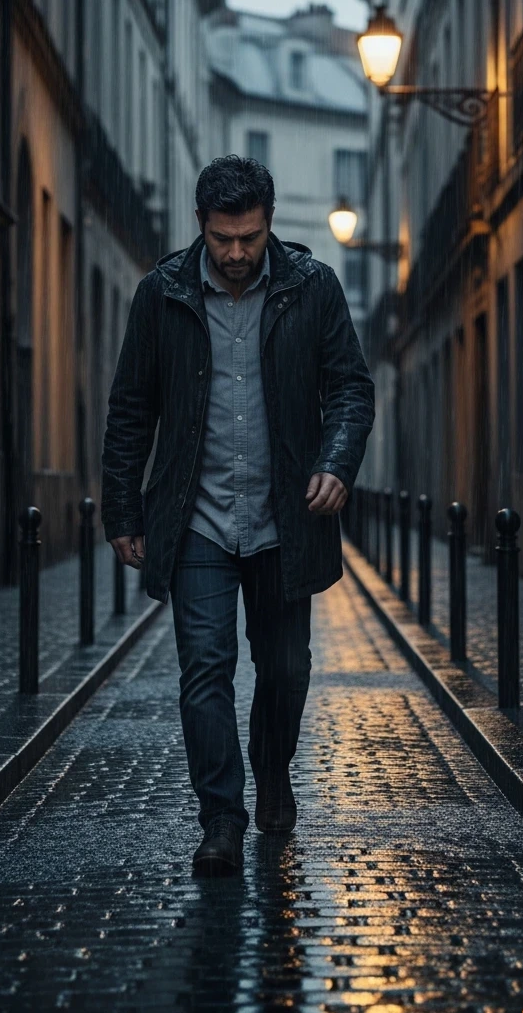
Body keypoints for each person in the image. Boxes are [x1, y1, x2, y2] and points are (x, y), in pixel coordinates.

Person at [101, 156, 375, 877]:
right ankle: (220, 818)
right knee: (205, 672)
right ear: (200, 225)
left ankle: (272, 770)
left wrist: (336, 461)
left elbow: (350, 388)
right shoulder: (160, 295)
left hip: (285, 517)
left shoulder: (312, 289)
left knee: (285, 669)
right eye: (223, 237)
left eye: (249, 237)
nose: (235, 253)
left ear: (270, 223)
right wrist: (123, 509)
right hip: (198, 519)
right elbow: (131, 410)